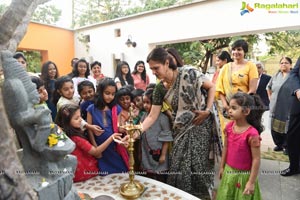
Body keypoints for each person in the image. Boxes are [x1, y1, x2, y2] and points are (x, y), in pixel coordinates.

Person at [140, 47, 216, 198]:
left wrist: (207, 110)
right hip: (180, 131)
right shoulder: (159, 89)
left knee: (199, 168)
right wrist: (137, 130)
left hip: (200, 127)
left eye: (156, 68)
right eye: (151, 69)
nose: (153, 72)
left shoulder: (189, 73)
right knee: (180, 167)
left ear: (167, 63)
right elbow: (152, 116)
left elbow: (212, 86)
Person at [55, 104, 127, 182]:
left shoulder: (63, 134)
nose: (80, 120)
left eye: (80, 116)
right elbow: (96, 152)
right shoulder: (76, 138)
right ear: (67, 122)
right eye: (76, 118)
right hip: (84, 172)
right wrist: (111, 138)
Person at [216, 92, 264, 200]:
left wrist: (251, 182)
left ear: (246, 111)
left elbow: (256, 159)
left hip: (244, 177)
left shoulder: (252, 134)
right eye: (229, 107)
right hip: (229, 173)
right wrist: (222, 167)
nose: (229, 110)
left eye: (234, 108)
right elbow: (226, 148)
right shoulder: (229, 127)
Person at [86, 78, 129, 174]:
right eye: (107, 93)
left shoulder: (116, 108)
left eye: (113, 94)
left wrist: (127, 127)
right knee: (103, 175)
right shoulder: (91, 109)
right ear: (100, 92)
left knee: (120, 172)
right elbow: (90, 131)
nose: (110, 97)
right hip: (100, 148)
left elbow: (119, 128)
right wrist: (95, 147)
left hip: (114, 148)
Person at [216, 39, 258, 116]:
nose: (236, 52)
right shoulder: (225, 67)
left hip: (243, 107)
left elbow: (252, 90)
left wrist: (239, 104)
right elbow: (219, 89)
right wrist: (226, 105)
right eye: (234, 49)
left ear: (244, 51)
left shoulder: (251, 66)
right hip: (227, 107)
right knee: (227, 128)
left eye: (239, 49)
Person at [139, 88, 173, 183]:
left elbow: (166, 138)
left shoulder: (163, 118)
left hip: (160, 154)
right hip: (146, 153)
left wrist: (163, 155)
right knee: (148, 179)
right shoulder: (144, 116)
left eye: (148, 102)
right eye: (144, 102)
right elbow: (140, 134)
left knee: (161, 178)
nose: (145, 105)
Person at [267, 57, 293, 154]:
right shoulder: (275, 76)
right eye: (281, 63)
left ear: (290, 65)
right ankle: (279, 144)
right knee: (274, 125)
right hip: (275, 106)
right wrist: (270, 98)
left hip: (288, 106)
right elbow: (268, 87)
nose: (283, 64)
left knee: (287, 126)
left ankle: (287, 146)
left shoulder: (294, 77)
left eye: (286, 63)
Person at [281, 57, 300, 176]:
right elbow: (294, 73)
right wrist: (297, 89)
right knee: (292, 135)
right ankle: (294, 167)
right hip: (298, 103)